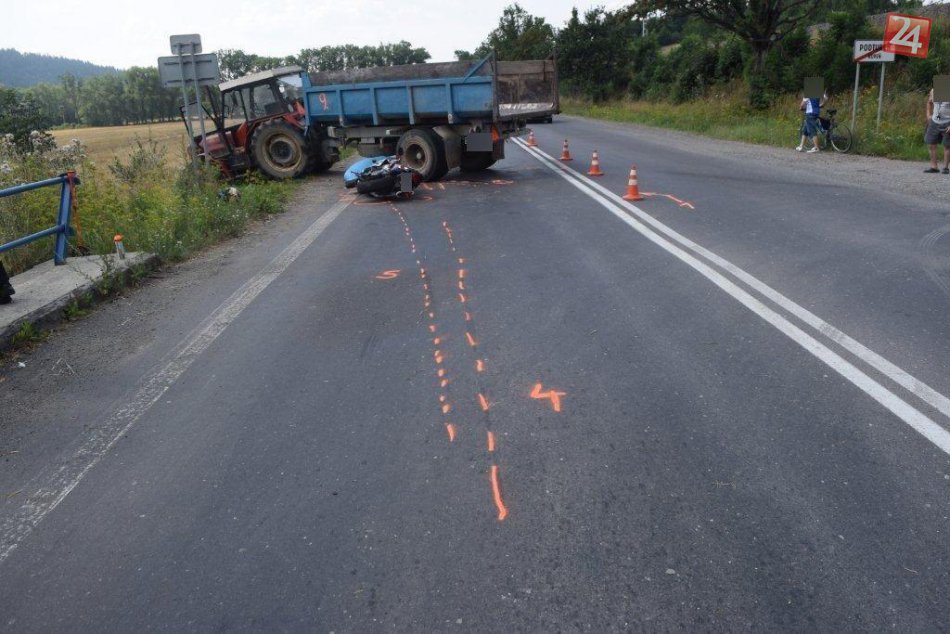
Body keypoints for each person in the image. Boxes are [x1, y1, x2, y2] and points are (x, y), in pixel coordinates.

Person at [924, 87, 950, 174]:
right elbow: (929, 102)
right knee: (931, 144)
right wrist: (928, 115)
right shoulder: (934, 90)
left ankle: (946, 168)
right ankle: (934, 167)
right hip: (934, 121)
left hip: (947, 122)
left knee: (947, 146)